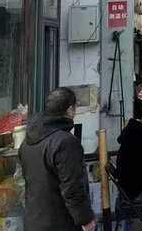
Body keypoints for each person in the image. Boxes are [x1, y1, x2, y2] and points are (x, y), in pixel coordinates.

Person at [19, 87, 95, 231]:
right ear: (70, 110)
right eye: (74, 109)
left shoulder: (27, 142)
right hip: (60, 221)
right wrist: (85, 219)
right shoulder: (66, 142)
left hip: (33, 220)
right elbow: (72, 187)